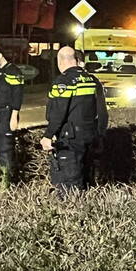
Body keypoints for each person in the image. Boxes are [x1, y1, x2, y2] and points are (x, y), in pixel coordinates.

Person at [40, 46, 108, 196]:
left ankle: (70, 213)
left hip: (69, 138)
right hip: (89, 135)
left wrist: (48, 135)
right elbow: (102, 112)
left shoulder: (63, 81)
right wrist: (100, 135)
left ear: (60, 60)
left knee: (68, 181)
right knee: (86, 177)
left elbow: (58, 112)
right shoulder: (92, 80)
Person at [0, 51, 25, 188]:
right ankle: (3, 178)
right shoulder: (0, 71)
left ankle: (7, 183)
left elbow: (17, 94)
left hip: (7, 113)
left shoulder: (12, 71)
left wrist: (14, 116)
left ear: (0, 55)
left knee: (6, 148)